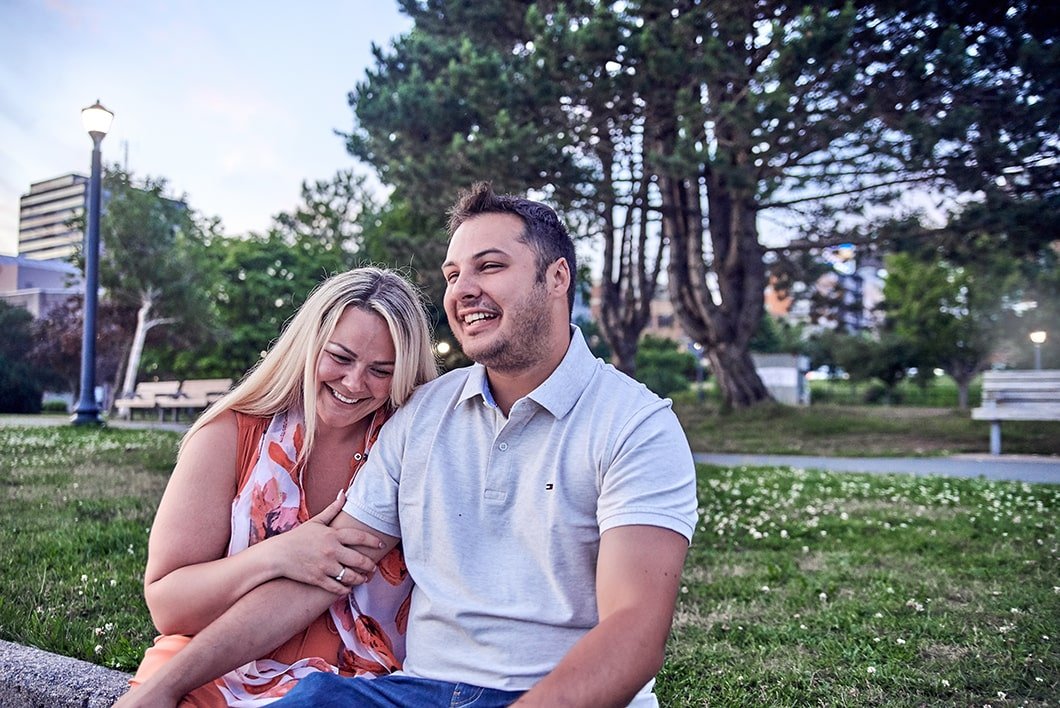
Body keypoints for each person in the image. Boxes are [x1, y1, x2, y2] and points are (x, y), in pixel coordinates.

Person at [114, 184, 698, 708]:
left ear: (557, 278)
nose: (463, 290)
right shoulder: (421, 415)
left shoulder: (636, 425)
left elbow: (634, 631)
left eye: (489, 267)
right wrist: (163, 687)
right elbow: (322, 573)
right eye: (451, 275)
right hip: (416, 692)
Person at [123, 267, 438, 706]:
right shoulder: (230, 434)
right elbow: (169, 607)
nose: (353, 384)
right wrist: (278, 555)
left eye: (380, 370)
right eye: (341, 358)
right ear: (307, 345)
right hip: (218, 669)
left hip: (362, 684)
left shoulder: (409, 445)